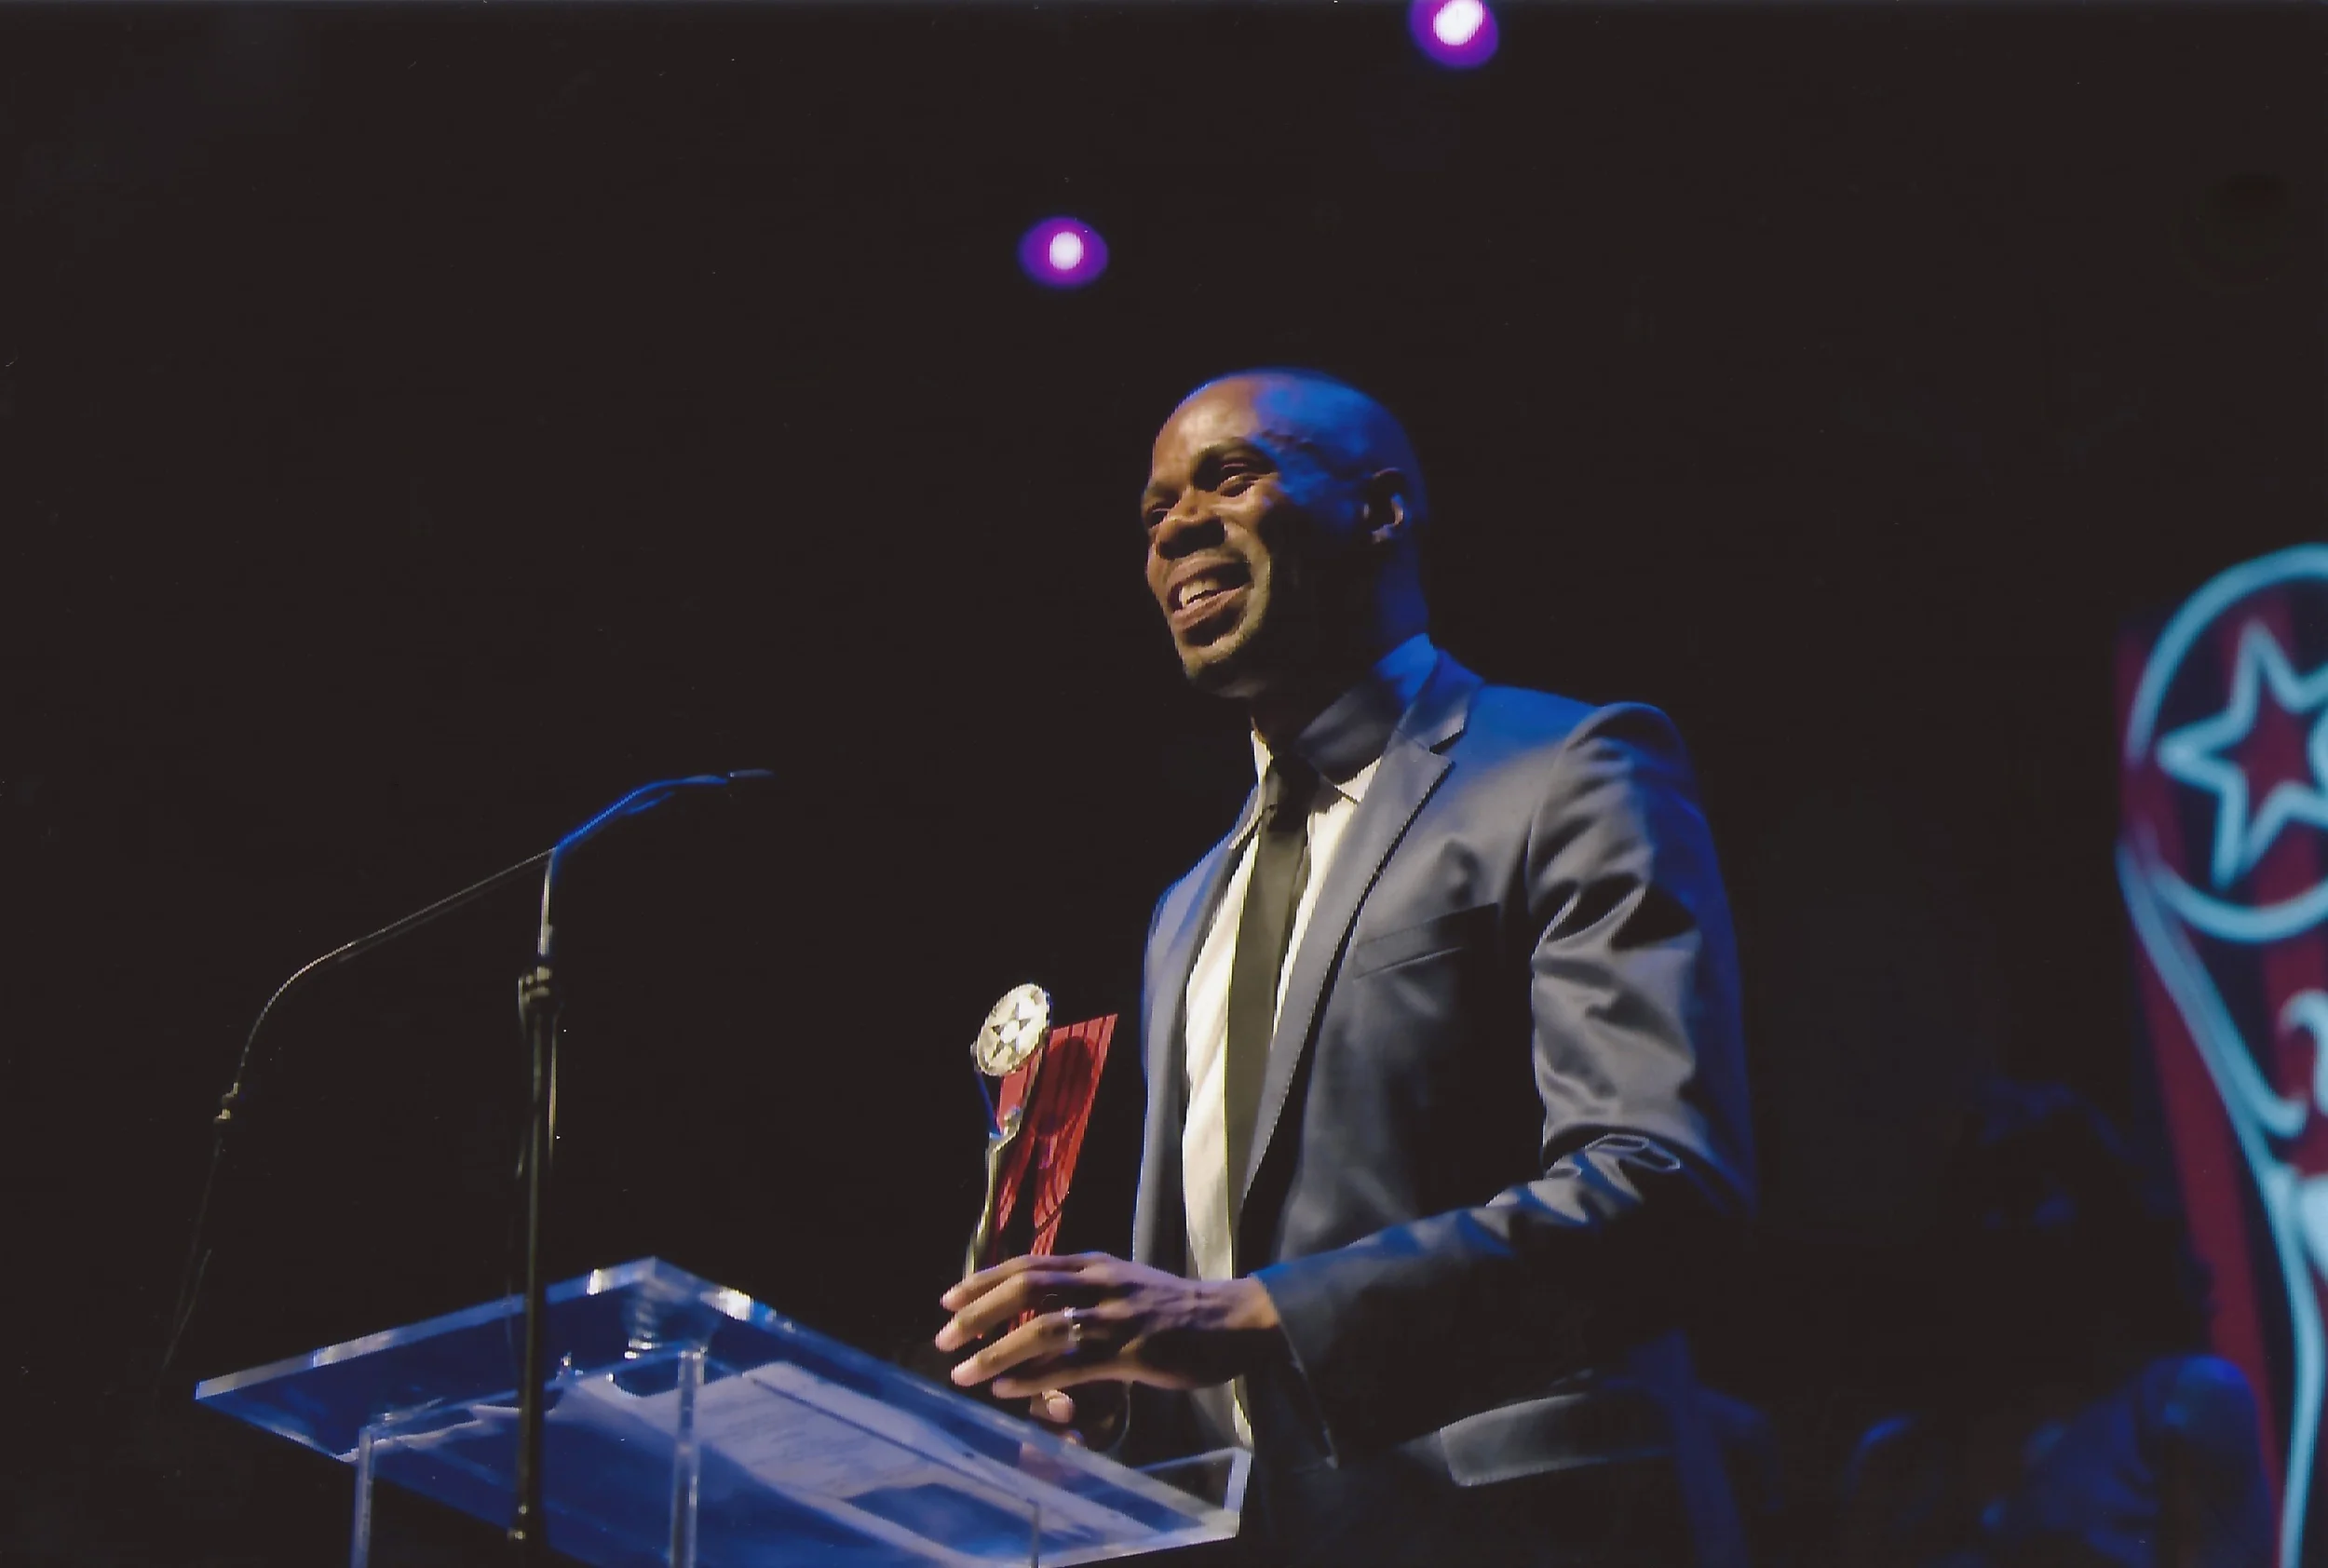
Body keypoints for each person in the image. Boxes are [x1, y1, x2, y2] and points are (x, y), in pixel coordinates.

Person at [937, 369, 1758, 1566]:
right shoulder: (1186, 907)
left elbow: (1659, 1183)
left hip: (1525, 1529)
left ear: (1380, 512)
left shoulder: (1566, 769)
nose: (1172, 526)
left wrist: (1250, 1317)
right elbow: (1199, 1300)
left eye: (1228, 476)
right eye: (1153, 510)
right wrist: (1109, 1387)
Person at [1831, 1077, 2272, 1568]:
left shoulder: (2183, 1406)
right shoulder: (1898, 1461)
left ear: (2106, 1216)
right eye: (1982, 1196)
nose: (2001, 1226)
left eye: (2028, 1193)